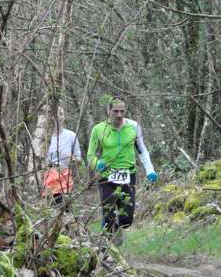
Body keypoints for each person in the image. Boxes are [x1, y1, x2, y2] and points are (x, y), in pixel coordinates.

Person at [87, 98, 158, 245]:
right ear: (108, 111)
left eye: (122, 111)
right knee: (109, 215)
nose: (119, 115)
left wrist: (150, 170)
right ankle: (108, 247)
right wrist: (97, 164)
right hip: (107, 176)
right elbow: (90, 155)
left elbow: (142, 150)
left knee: (126, 220)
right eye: (115, 111)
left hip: (128, 175)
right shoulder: (99, 129)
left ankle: (115, 230)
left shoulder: (134, 127)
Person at [42, 106, 82, 205]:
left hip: (65, 175)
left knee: (63, 206)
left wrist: (72, 159)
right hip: (48, 175)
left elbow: (79, 159)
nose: (58, 117)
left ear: (64, 117)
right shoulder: (44, 136)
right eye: (55, 114)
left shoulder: (71, 136)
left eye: (61, 114)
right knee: (49, 207)